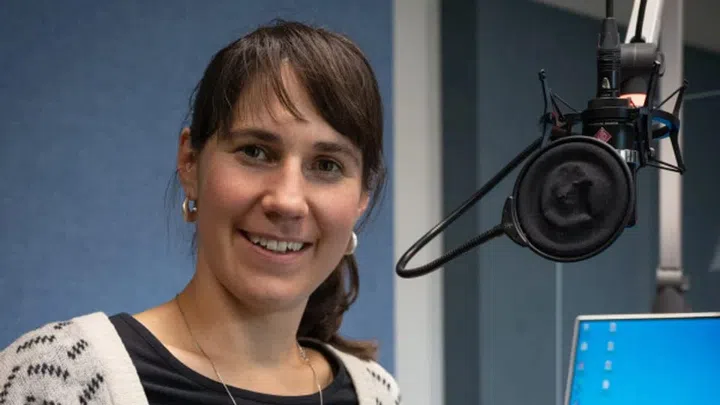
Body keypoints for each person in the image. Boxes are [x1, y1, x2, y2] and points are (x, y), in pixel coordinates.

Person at [0, 20, 401, 405]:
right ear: (190, 163)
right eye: (256, 152)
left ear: (362, 197)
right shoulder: (58, 379)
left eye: (327, 165)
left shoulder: (377, 394)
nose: (287, 201)